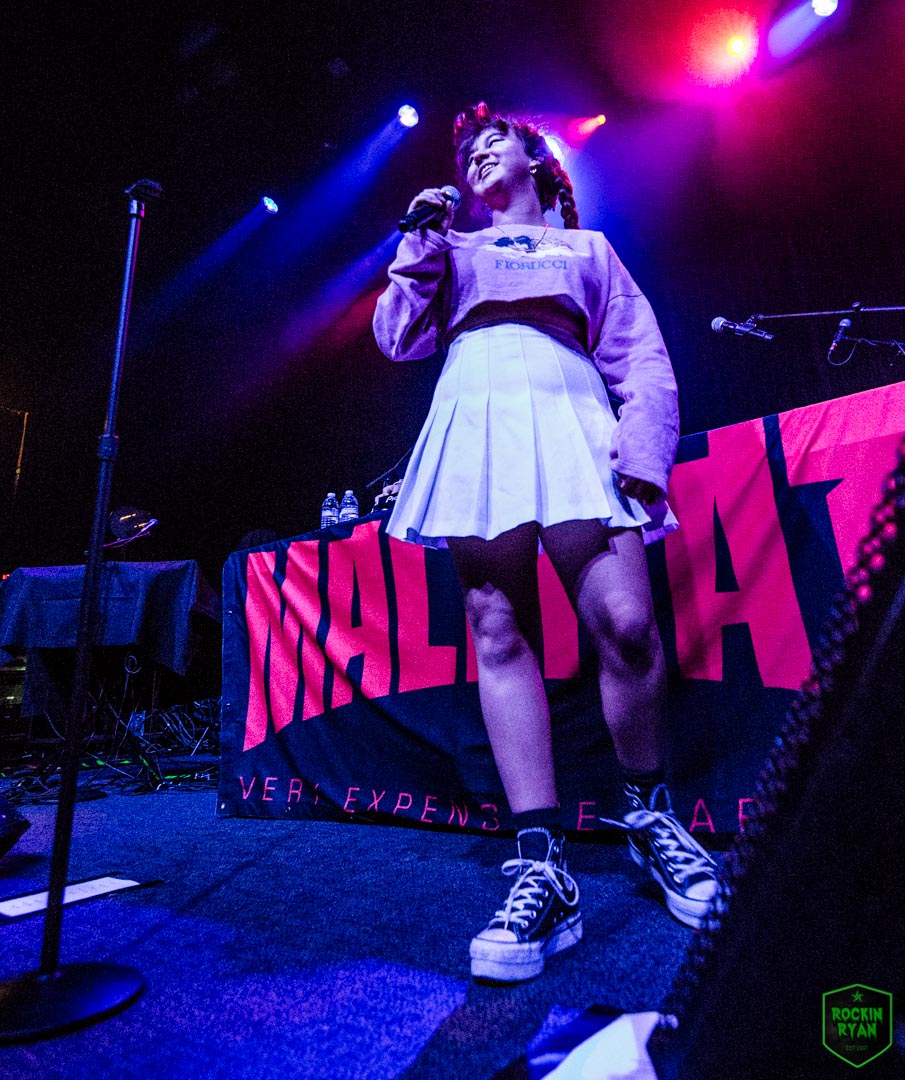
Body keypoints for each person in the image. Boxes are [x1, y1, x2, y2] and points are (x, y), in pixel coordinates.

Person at [372, 102, 717, 983]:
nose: (479, 153)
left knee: (627, 623)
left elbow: (642, 359)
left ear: (539, 160)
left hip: (572, 412)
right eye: (469, 151)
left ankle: (648, 817)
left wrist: (642, 451)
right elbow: (397, 339)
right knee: (497, 629)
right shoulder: (449, 246)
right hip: (475, 407)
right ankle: (541, 865)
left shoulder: (588, 248)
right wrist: (417, 239)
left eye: (497, 140)